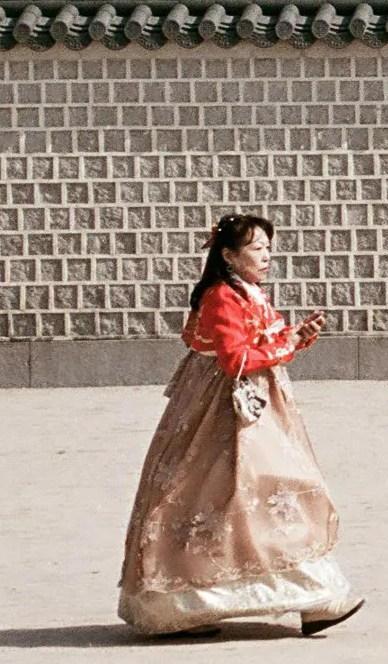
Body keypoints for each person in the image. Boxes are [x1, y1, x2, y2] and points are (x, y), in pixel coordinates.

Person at [117, 213, 361, 639]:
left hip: (257, 405)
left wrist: (296, 335)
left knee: (267, 493)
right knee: (252, 491)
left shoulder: (245, 291)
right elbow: (235, 360)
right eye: (256, 248)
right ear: (229, 255)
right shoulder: (220, 297)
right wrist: (286, 343)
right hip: (224, 411)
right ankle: (188, 604)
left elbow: (258, 344)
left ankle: (314, 597)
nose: (266, 256)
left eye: (268, 247)